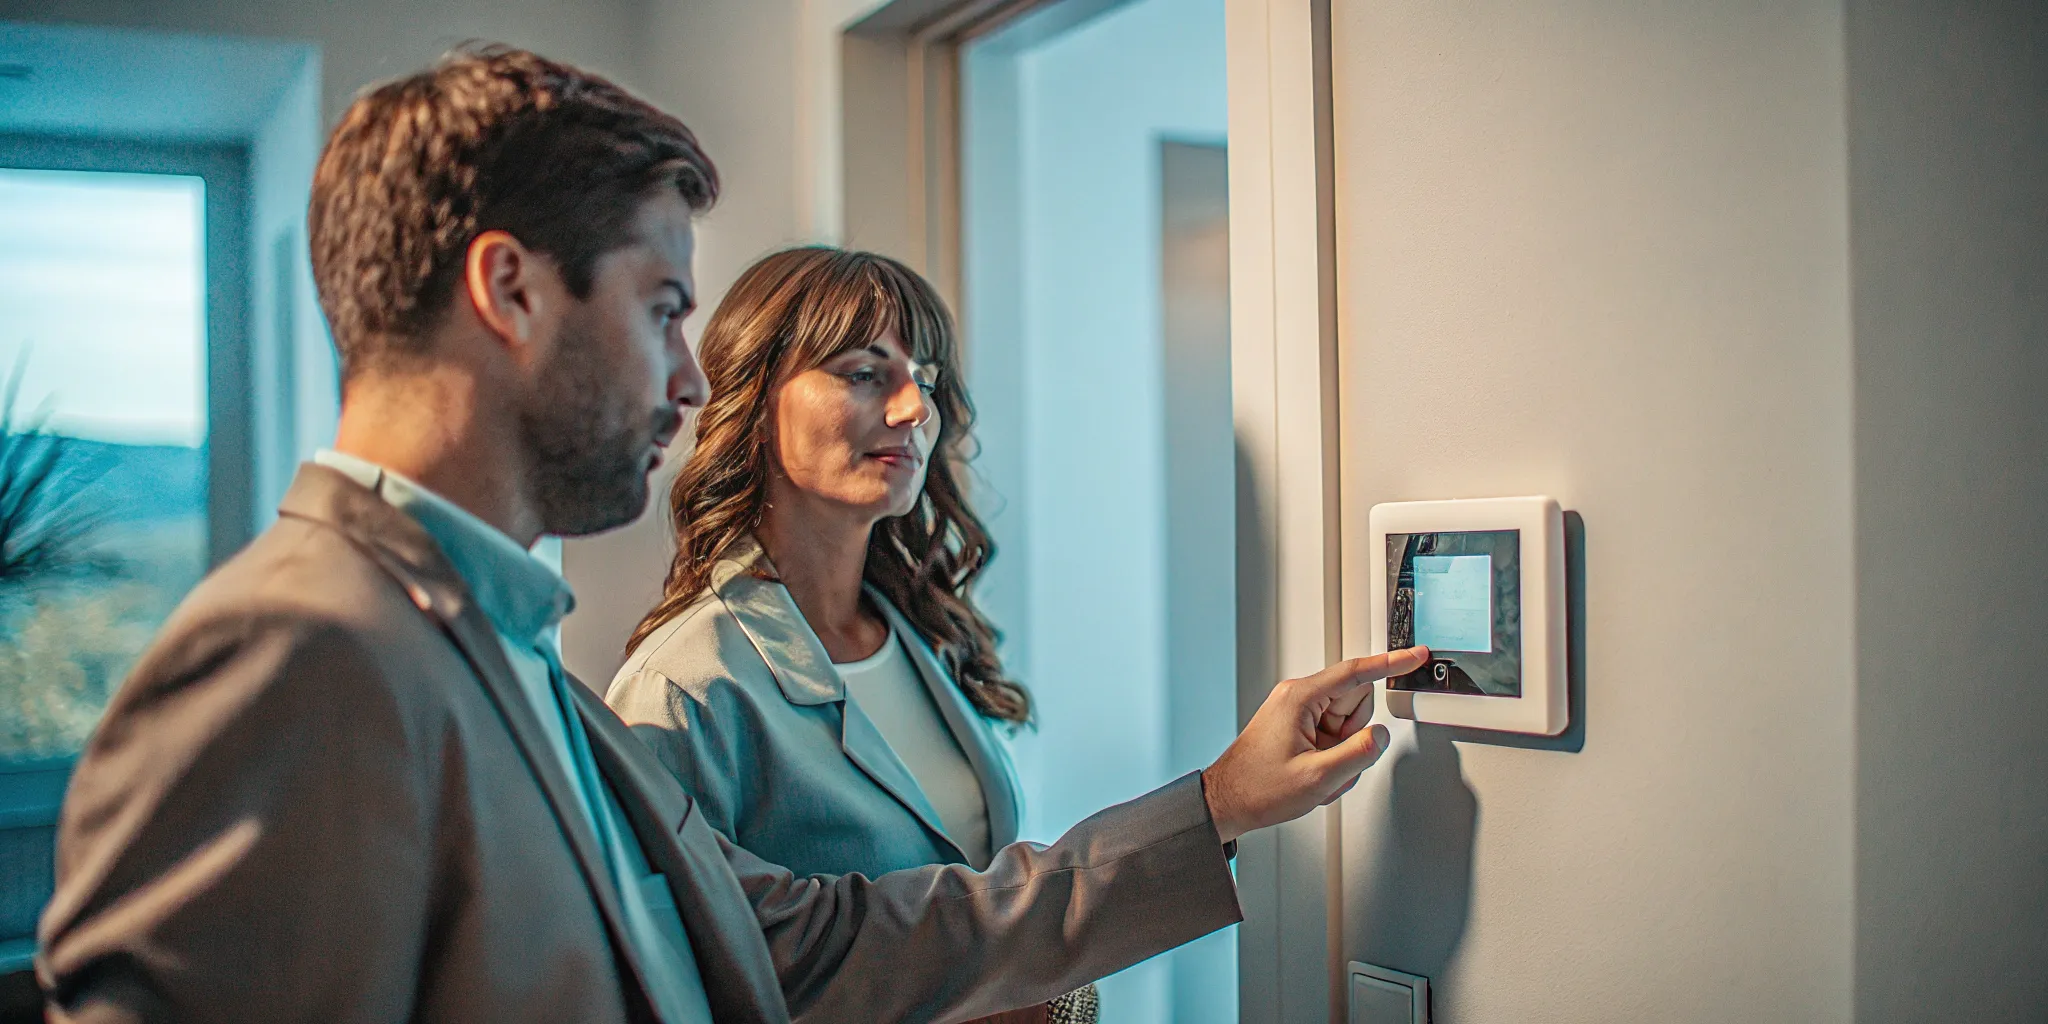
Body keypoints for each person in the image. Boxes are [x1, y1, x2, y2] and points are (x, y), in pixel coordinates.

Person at [34, 45, 1427, 1024]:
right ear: (510, 292)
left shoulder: (508, 655)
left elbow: (802, 945)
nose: (692, 381)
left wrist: (1215, 805)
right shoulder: (296, 652)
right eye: (660, 309)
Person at [606, 246, 1083, 1022]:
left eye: (926, 379)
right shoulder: (683, 688)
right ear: (756, 400)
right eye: (864, 373)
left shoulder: (926, 638)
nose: (913, 409)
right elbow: (675, 987)